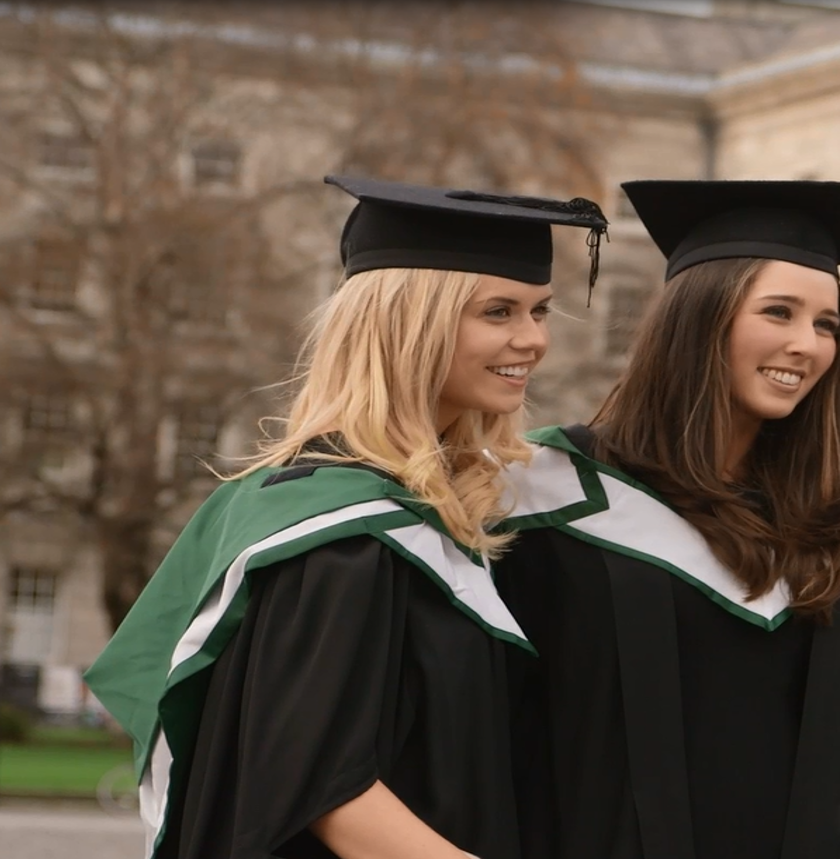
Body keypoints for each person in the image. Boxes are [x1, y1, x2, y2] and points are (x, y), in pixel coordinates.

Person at [83, 175, 608, 859]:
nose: (533, 339)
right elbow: (325, 788)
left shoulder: (426, 511)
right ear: (407, 325)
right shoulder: (338, 533)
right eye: (499, 312)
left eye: (539, 310)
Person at [494, 179, 840, 859]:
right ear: (702, 316)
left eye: (827, 325)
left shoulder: (822, 520)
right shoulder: (551, 497)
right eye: (779, 312)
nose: (808, 344)